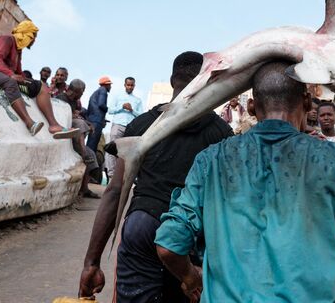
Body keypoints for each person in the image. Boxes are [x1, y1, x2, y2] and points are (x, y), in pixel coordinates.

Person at [154, 61, 335, 302]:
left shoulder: (210, 161)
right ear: (307, 102)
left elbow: (168, 245)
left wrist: (191, 277)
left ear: (252, 107)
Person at [78, 52, 233, 302]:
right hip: (188, 238)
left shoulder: (140, 125)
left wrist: (91, 263)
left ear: (173, 81)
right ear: (205, 81)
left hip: (143, 225)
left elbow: (116, 192)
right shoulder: (221, 133)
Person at [0, 20, 78, 139]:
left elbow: (19, 72)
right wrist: (11, 74)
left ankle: (54, 126)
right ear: (25, 33)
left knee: (41, 86)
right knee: (10, 81)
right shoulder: (7, 39)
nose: (34, 40)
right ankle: (29, 123)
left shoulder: (18, 50)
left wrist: (26, 80)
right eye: (33, 36)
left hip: (4, 76)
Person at [56, 79, 100, 199]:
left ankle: (84, 189)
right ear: (77, 91)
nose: (82, 94)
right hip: (65, 137)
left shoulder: (74, 102)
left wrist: (87, 122)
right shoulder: (61, 98)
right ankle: (82, 149)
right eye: (82, 91)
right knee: (80, 124)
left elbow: (76, 115)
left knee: (91, 156)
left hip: (74, 138)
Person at [106, 77, 143, 178]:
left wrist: (132, 110)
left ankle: (122, 176)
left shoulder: (138, 100)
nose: (130, 87)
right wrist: (121, 107)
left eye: (132, 85)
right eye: (128, 85)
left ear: (134, 86)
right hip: (117, 125)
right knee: (111, 149)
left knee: (126, 153)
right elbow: (110, 110)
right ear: (125, 85)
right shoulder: (117, 96)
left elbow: (141, 115)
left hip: (130, 128)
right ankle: (111, 174)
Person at [86, 76, 112, 153]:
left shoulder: (96, 92)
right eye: (109, 85)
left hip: (92, 119)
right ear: (106, 85)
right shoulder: (103, 91)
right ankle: (89, 162)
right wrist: (108, 109)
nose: (110, 87)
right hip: (96, 121)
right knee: (93, 143)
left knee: (91, 141)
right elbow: (101, 104)